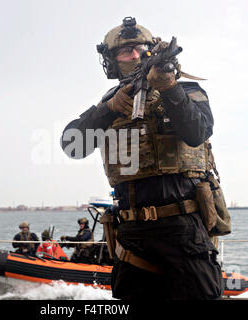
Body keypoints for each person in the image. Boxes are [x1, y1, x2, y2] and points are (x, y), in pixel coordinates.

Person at [60, 17, 223, 300]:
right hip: (131, 233)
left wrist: (170, 88)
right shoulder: (110, 100)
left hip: (183, 228)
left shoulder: (187, 91)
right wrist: (108, 109)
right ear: (112, 60)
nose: (134, 56)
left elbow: (197, 131)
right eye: (126, 51)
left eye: (139, 49)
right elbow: (72, 146)